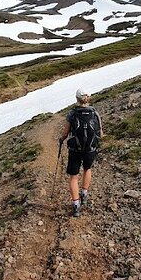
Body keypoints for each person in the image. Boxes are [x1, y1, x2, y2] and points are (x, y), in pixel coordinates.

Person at [59, 88, 103, 217]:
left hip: (75, 150)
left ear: (77, 99)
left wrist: (61, 139)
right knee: (87, 169)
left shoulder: (72, 114)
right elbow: (100, 133)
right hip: (90, 149)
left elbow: (65, 133)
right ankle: (84, 193)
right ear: (88, 98)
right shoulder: (95, 113)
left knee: (73, 176)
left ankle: (76, 204)